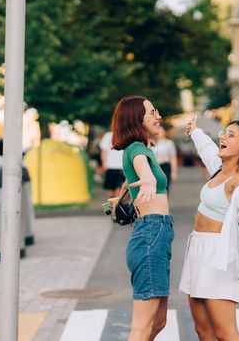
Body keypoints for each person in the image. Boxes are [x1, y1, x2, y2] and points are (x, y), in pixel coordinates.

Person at [181, 118, 239, 341]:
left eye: (231, 134)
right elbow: (207, 149)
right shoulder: (218, 170)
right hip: (198, 250)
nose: (223, 137)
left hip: (218, 258)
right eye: (224, 133)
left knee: (226, 333)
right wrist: (195, 131)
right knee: (203, 331)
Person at [110, 96, 174, 341]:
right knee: (142, 327)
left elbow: (132, 175)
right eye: (151, 113)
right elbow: (143, 169)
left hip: (157, 233)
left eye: (156, 111)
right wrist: (148, 180)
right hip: (151, 234)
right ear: (136, 120)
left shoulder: (143, 149)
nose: (158, 116)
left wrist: (121, 196)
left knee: (158, 322)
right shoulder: (137, 150)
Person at [152, 124, 178, 193]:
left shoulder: (169, 143)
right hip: (155, 167)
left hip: (165, 166)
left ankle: (165, 202)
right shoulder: (152, 143)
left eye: (161, 130)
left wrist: (174, 172)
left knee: (165, 188)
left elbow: (173, 158)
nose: (159, 132)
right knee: (155, 188)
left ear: (164, 132)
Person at [100, 130, 125, 198]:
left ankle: (115, 208)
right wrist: (104, 163)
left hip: (122, 167)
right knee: (111, 193)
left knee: (118, 192)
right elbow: (104, 151)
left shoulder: (126, 135)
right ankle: (112, 208)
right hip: (111, 166)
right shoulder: (108, 135)